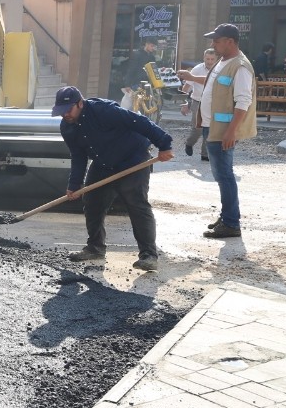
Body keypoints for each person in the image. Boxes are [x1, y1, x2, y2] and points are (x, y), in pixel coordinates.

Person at [53, 86, 174, 271]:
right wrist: (74, 185)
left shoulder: (104, 111)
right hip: (103, 163)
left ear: (80, 103)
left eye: (68, 110)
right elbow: (78, 156)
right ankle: (95, 247)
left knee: (136, 203)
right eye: (61, 112)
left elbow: (139, 121)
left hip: (132, 159)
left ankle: (149, 255)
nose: (65, 115)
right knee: (92, 201)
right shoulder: (67, 127)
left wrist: (164, 145)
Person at [177, 24, 256, 239]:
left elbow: (243, 102)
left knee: (224, 175)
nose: (213, 44)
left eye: (217, 40)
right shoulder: (223, 62)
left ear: (229, 41)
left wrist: (230, 133)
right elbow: (212, 84)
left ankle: (231, 223)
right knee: (221, 175)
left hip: (222, 130)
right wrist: (192, 78)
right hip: (212, 127)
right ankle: (228, 216)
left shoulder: (240, 67)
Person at [180, 49, 216, 161]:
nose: (210, 61)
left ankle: (205, 154)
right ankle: (190, 143)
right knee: (198, 128)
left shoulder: (219, 69)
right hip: (197, 101)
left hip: (213, 103)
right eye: (207, 59)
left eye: (212, 59)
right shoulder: (197, 69)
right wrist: (185, 103)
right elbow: (186, 87)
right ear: (204, 58)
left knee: (210, 128)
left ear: (216, 59)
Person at [113, 38, 157, 104]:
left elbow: (154, 69)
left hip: (148, 83)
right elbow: (131, 69)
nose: (153, 48)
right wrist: (127, 84)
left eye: (154, 46)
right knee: (136, 103)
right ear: (146, 44)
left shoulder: (152, 57)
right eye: (152, 46)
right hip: (137, 82)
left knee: (146, 103)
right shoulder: (137, 54)